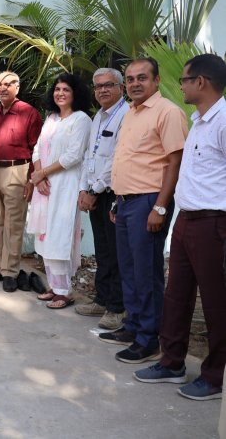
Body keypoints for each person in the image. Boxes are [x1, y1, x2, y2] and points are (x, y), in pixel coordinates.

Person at [134, 54, 226, 401]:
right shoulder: (199, 120)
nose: (182, 85)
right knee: (176, 296)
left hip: (214, 222)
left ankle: (216, 376)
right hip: (187, 220)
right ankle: (172, 361)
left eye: (185, 80)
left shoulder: (223, 121)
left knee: (216, 302)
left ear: (201, 82)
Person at [100, 57, 188, 364]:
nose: (136, 83)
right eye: (131, 79)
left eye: (142, 78)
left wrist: (161, 207)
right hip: (125, 202)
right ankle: (134, 327)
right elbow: (130, 160)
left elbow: (175, 163)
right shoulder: (132, 113)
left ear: (157, 80)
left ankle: (150, 339)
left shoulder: (168, 112)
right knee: (129, 269)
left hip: (149, 202)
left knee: (146, 272)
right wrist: (116, 200)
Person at [26, 73, 92, 309]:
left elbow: (73, 156)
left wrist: (43, 174)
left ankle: (65, 291)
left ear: (75, 94)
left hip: (65, 185)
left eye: (66, 89)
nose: (60, 93)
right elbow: (36, 151)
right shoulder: (51, 119)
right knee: (45, 237)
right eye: (57, 89)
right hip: (44, 187)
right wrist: (39, 175)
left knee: (60, 236)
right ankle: (54, 287)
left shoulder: (81, 120)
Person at [0, 71, 43, 291]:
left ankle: (11, 271)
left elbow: (36, 150)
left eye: (7, 84)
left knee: (13, 223)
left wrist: (31, 180)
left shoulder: (28, 113)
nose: (2, 88)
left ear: (17, 87)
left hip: (17, 170)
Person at [76, 68, 129, 329]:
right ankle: (103, 298)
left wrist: (95, 190)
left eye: (109, 85)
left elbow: (117, 160)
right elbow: (90, 156)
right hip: (95, 193)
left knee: (116, 252)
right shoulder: (98, 117)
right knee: (102, 250)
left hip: (113, 193)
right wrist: (84, 189)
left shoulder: (125, 115)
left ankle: (117, 308)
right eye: (98, 86)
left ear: (121, 88)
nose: (103, 90)